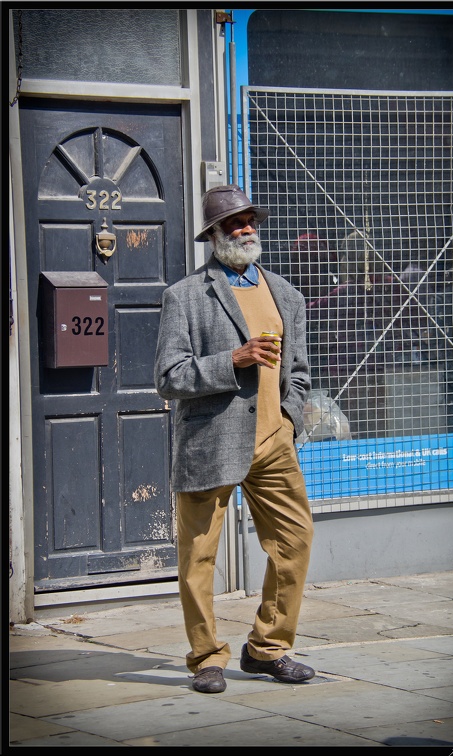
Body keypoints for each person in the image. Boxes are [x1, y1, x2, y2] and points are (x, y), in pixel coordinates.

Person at [154, 184, 315, 694]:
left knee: (295, 541)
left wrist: (289, 418)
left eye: (249, 221)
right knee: (198, 557)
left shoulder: (286, 293)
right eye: (233, 223)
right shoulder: (184, 296)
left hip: (273, 443)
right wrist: (232, 361)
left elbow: (301, 371)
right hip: (211, 443)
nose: (245, 230)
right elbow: (168, 376)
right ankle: (206, 657)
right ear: (214, 235)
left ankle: (267, 648)